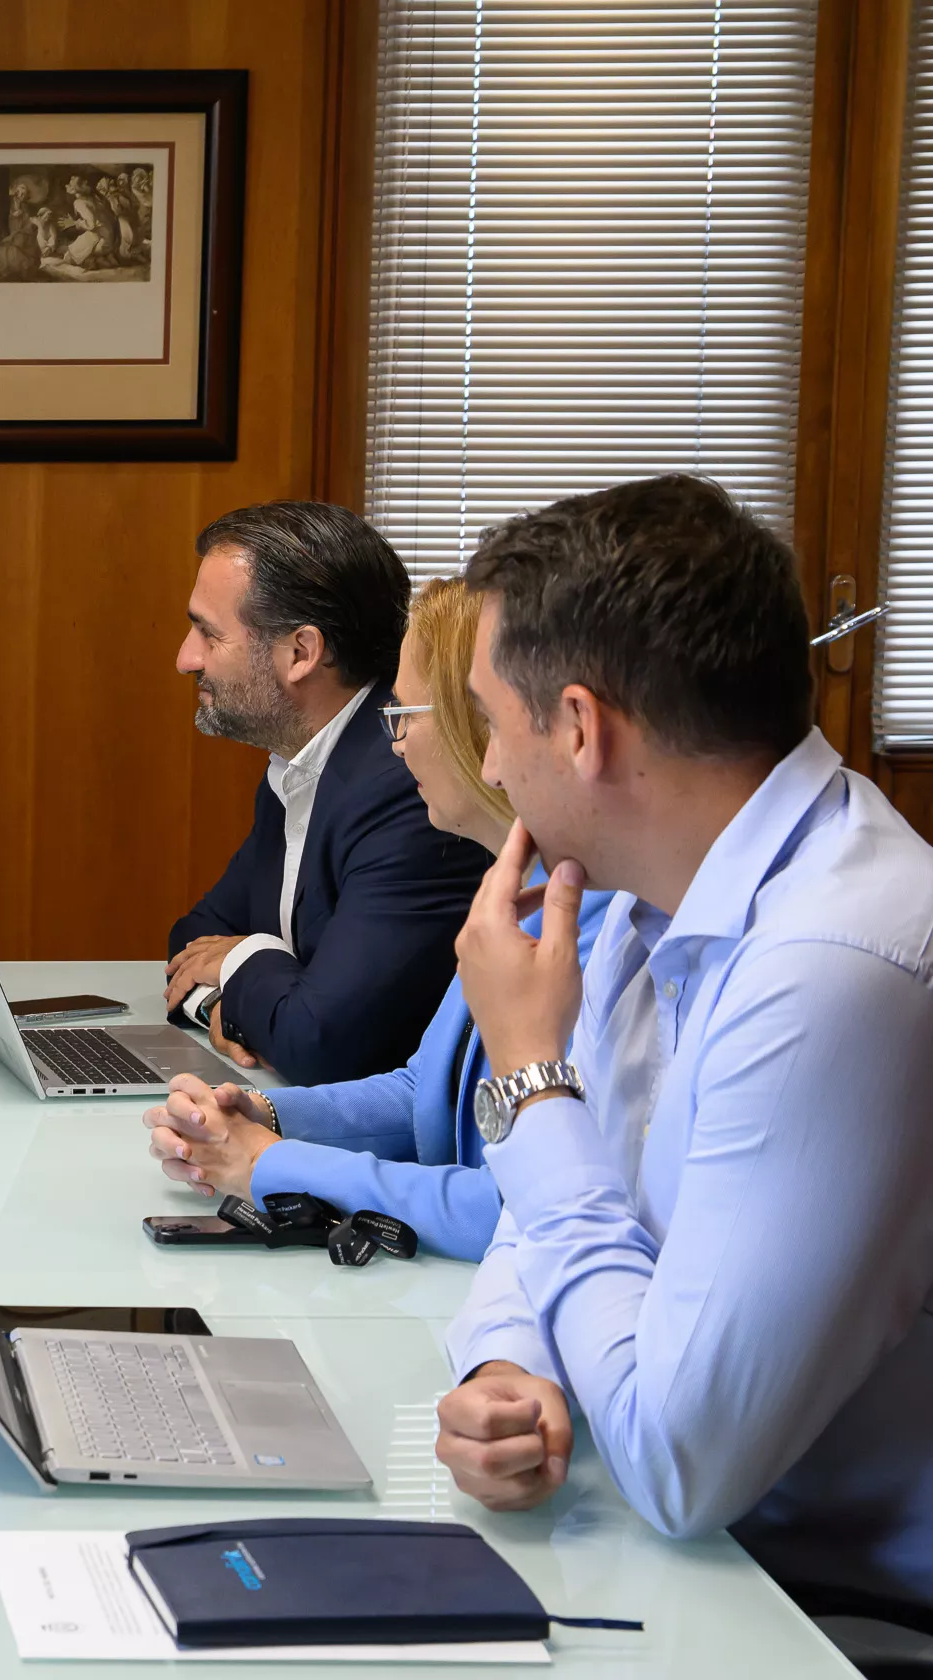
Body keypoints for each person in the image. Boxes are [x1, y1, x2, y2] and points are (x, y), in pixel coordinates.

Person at [432, 476, 933, 1635]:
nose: (493, 773)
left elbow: (678, 1464)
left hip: (825, 1611)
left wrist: (525, 1073)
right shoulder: (657, 898)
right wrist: (512, 1369)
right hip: (693, 1561)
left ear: (577, 726)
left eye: (496, 728)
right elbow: (553, 1207)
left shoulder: (837, 966)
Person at [142, 578, 612, 1259]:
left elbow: (510, 1206)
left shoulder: (594, 916)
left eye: (405, 715)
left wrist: (270, 1163)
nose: (392, 745)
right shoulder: (518, 882)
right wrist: (265, 1117)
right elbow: (424, 1090)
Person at [165, 501, 493, 1085]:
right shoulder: (299, 760)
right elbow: (194, 936)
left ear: (301, 653)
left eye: (209, 634)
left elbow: (321, 1038)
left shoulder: (409, 788)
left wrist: (242, 960)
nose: (185, 659)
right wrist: (226, 1003)